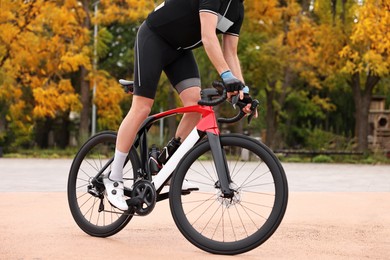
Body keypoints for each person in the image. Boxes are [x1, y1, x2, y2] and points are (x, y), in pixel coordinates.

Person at [104, 0, 255, 211]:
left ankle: (165, 164)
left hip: (179, 51)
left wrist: (244, 92)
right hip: (154, 38)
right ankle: (114, 177)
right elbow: (208, 36)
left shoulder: (237, 10)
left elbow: (231, 53)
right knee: (142, 106)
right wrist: (226, 76)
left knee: (195, 105)